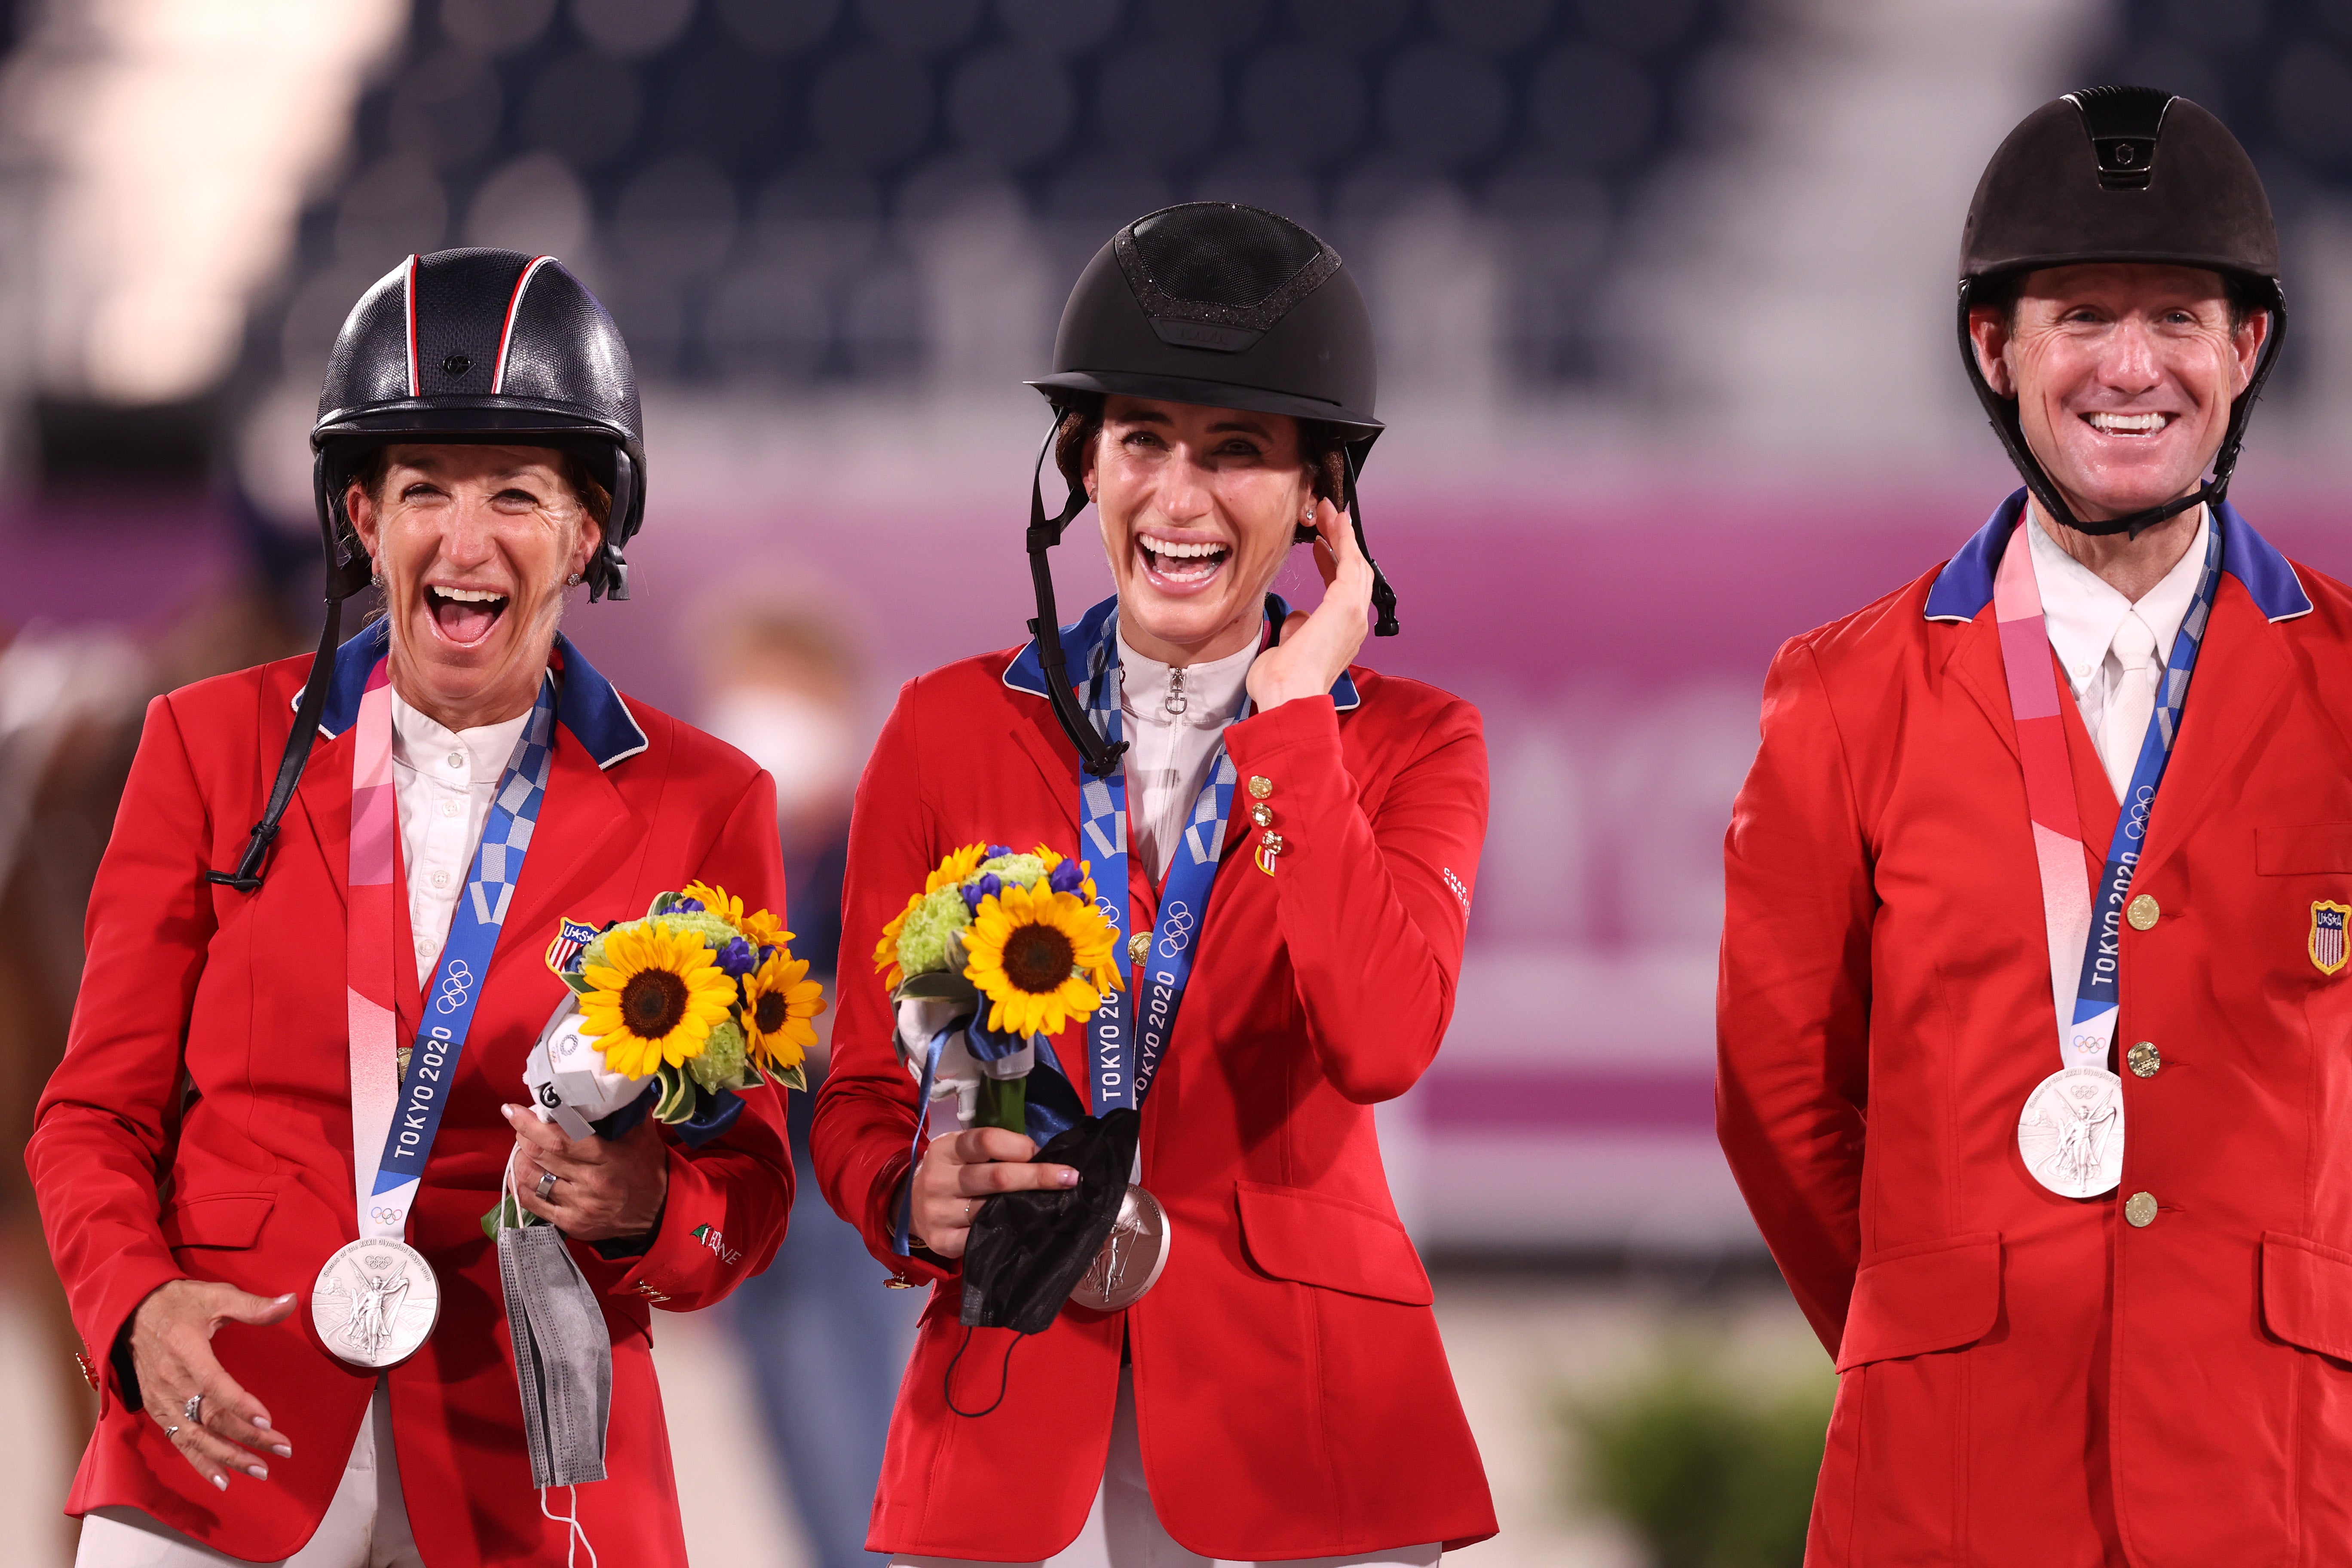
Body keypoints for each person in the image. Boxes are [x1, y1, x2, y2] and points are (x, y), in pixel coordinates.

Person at [29, 249, 793, 1567]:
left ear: (589, 528)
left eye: (517, 493)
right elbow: (91, 1115)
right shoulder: (206, 750)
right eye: (422, 489)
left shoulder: (705, 801)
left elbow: (749, 1189)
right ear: (363, 522)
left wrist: (642, 1203)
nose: (465, 537)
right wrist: (135, 1310)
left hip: (529, 1448)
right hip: (224, 1423)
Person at [1715, 88, 2352, 1562]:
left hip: (2285, 1479)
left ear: (2244, 349)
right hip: (1949, 1477)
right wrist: (1936, 1317)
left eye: (2178, 318)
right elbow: (1779, 1101)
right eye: (2080, 315)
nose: (2132, 367)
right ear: (1996, 350)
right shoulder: (1842, 690)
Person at [812, 202, 1497, 1567]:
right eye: (1143, 443)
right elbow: (860, 1088)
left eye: (1237, 453)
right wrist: (904, 1192)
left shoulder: (1415, 741)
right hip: (1004, 1402)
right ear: (1085, 464)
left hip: (1309, 1421)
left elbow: (1382, 1039)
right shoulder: (944, 730)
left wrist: (1298, 719)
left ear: (1323, 495)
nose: (1179, 501)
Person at [698, 600, 923, 1568]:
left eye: (778, 684)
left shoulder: (878, 834)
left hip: (844, 1184)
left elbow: (907, 1014)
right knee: (785, 1424)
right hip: (748, 1177)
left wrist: (775, 1022)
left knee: (855, 1426)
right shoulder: (729, 842)